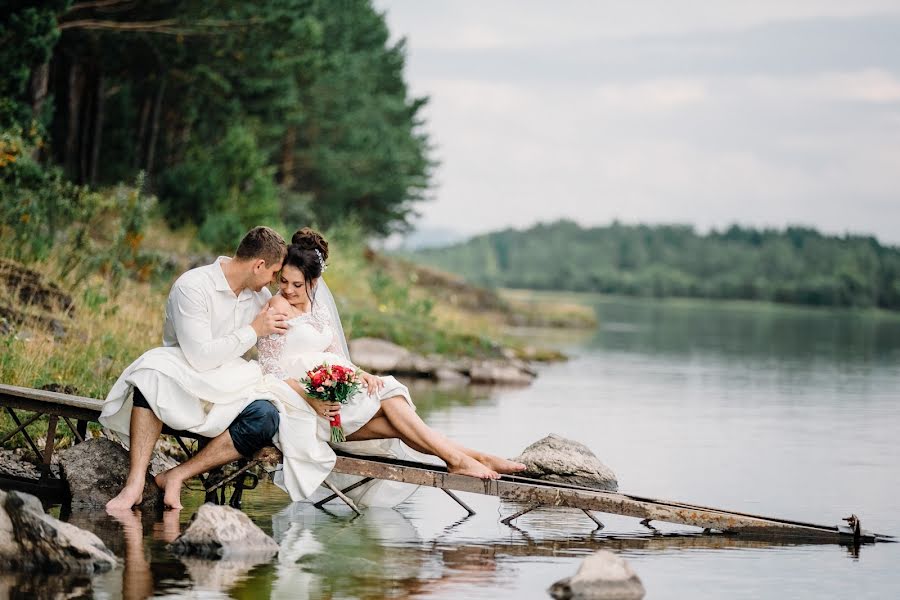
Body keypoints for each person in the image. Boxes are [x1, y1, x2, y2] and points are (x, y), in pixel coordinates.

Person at [254, 228, 526, 501]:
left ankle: (469, 458)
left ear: (313, 282)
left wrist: (362, 375)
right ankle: (470, 457)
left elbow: (336, 356)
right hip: (299, 405)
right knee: (398, 413)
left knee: (391, 399)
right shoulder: (276, 307)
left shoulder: (320, 310)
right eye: (284, 282)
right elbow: (271, 371)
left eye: (297, 285)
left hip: (335, 404)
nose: (288, 290)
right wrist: (313, 399)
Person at [100, 226, 289, 510]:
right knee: (152, 371)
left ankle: (177, 475)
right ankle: (135, 482)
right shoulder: (193, 286)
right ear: (258, 265)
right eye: (274, 273)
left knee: (266, 416)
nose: (274, 282)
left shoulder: (260, 299)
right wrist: (253, 331)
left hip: (230, 383)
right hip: (185, 373)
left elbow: (286, 343)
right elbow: (199, 356)